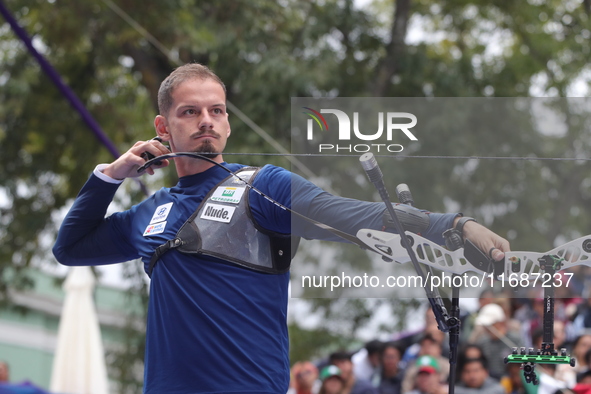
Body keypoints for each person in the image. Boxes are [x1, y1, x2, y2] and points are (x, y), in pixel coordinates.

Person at [52, 63, 511, 393]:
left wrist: (452, 225)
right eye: (190, 112)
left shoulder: (262, 186)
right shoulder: (151, 212)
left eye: (217, 110)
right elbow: (70, 248)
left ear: (228, 122)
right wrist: (111, 175)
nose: (206, 121)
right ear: (162, 125)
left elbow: (351, 215)